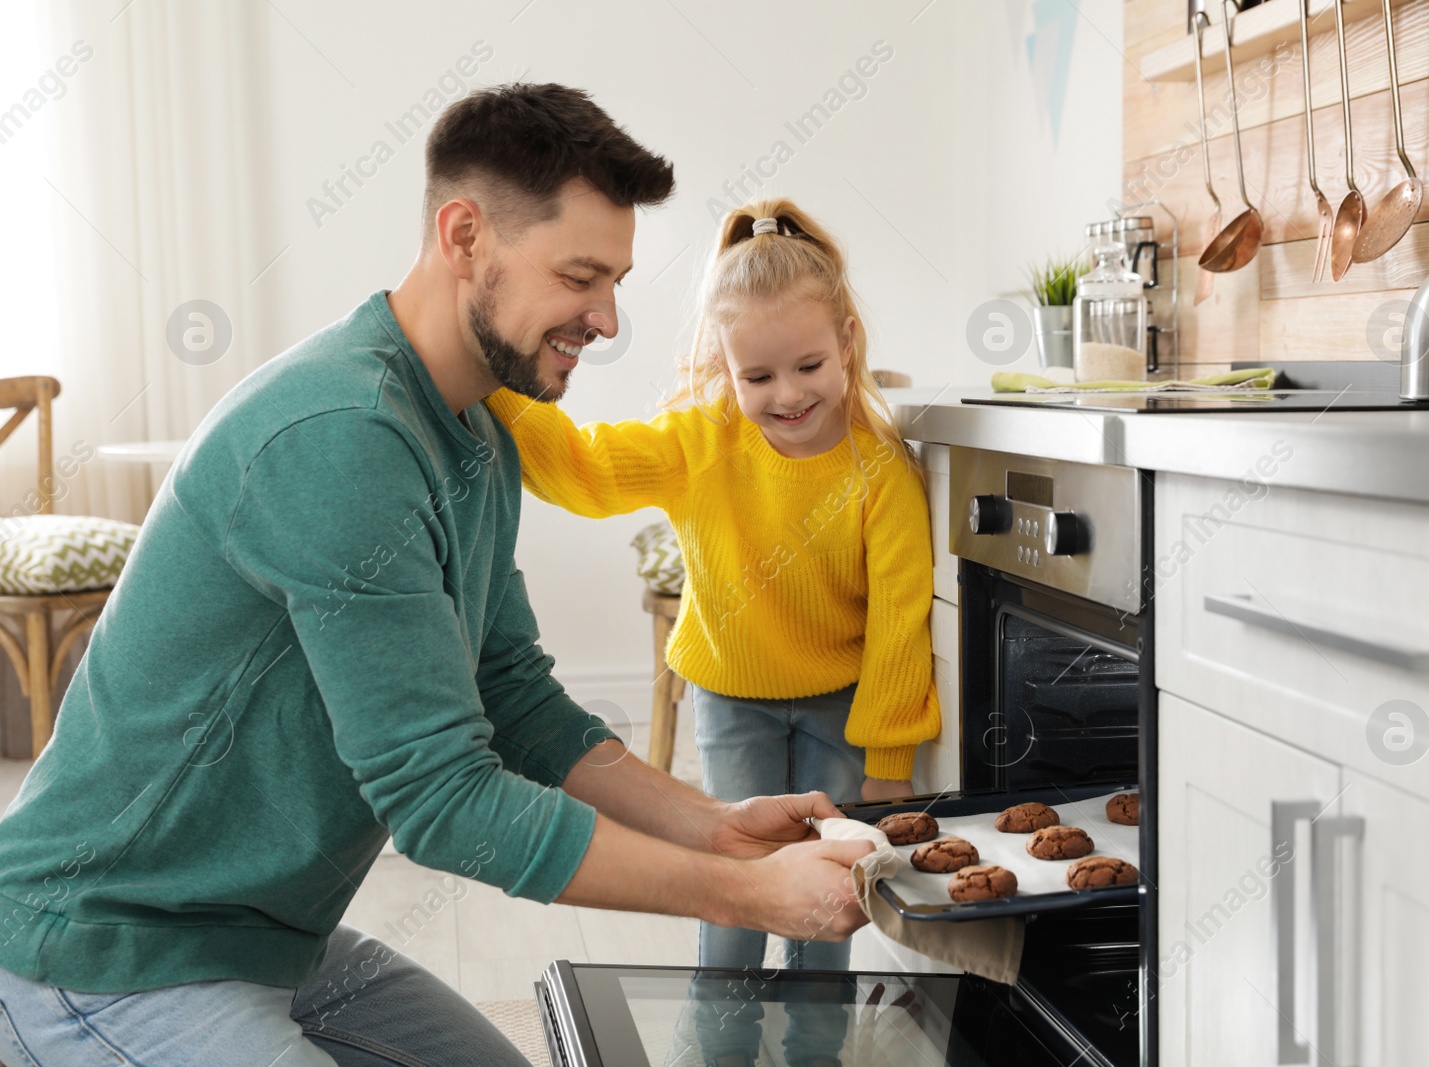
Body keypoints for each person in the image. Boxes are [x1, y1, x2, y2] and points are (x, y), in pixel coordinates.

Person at [0, 85, 873, 1067]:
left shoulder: (476, 434)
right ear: (465, 236)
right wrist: (749, 893)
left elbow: (515, 700)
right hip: (111, 943)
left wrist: (715, 826)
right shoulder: (340, 435)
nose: (608, 317)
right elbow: (441, 797)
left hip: (271, 940)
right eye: (582, 276)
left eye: (616, 280)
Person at [484, 198, 942, 1065]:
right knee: (735, 887)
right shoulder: (702, 440)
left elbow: (899, 623)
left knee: (829, 895)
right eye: (756, 376)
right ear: (723, 365)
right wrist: (496, 388)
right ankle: (716, 1050)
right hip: (734, 698)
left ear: (847, 339)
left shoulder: (880, 469)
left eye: (808, 364)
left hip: (844, 704)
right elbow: (586, 470)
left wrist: (888, 767)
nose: (788, 395)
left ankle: (815, 1050)